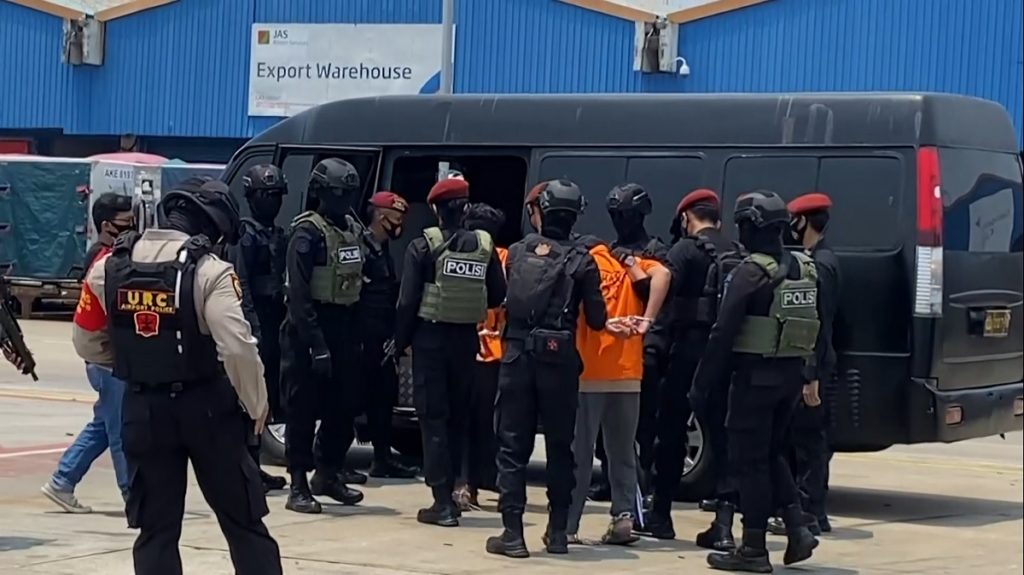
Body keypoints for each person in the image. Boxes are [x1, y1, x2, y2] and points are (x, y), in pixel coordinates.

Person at [72, 179, 282, 575]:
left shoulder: (108, 266)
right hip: (208, 410)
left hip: (143, 410)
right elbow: (237, 347)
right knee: (243, 524)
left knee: (156, 530)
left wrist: (137, 362)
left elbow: (85, 341)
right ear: (212, 227)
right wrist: (257, 403)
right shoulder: (211, 270)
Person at [486, 179, 620, 559]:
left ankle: (512, 534)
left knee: (513, 447)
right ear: (576, 215)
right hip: (559, 361)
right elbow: (597, 319)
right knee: (561, 448)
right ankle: (558, 532)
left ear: (541, 211)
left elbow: (501, 298)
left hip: (516, 357)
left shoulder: (516, 252)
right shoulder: (583, 260)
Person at [690, 190, 820, 572]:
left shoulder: (749, 273)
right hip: (790, 377)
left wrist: (701, 385)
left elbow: (722, 332)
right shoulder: (802, 268)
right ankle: (797, 528)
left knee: (749, 463)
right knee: (772, 453)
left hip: (754, 380)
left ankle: (753, 548)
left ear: (751, 227)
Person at [395, 176, 507, 527]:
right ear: (465, 208)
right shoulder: (485, 246)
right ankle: (457, 491)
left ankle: (441, 503)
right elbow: (498, 294)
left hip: (430, 341)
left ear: (435, 209)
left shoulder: (423, 246)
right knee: (458, 419)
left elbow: (407, 301)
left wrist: (399, 342)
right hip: (466, 341)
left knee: (433, 420)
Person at [645, 189, 744, 548]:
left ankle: (661, 516)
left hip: (687, 352)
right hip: (726, 355)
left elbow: (665, 296)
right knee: (724, 436)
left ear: (686, 217)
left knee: (671, 433)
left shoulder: (685, 250)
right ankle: (724, 524)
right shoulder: (737, 251)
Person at [567, 234, 671, 545]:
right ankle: (624, 517)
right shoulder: (628, 264)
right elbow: (664, 275)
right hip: (627, 373)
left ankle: (568, 524)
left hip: (588, 372)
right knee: (623, 451)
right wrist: (647, 321)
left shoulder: (581, 264)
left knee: (579, 453)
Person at [280, 158, 367, 514]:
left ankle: (328, 473)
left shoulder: (352, 228)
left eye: (349, 193)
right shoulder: (307, 232)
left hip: (344, 326)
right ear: (320, 192)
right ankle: (298, 484)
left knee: (344, 406)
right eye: (338, 193)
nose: (344, 200)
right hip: (309, 328)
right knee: (301, 410)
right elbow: (298, 294)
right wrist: (316, 344)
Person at [42, 193, 135, 512]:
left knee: (104, 423)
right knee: (120, 427)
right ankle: (133, 496)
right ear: (107, 226)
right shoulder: (105, 266)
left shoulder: (107, 255)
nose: (133, 227)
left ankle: (62, 481)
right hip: (103, 355)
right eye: (126, 222)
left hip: (99, 351)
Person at [590, 183, 671, 502]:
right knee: (605, 426)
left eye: (625, 215)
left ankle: (642, 485)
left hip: (645, 347)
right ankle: (610, 479)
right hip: (609, 347)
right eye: (615, 215)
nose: (620, 221)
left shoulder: (656, 251)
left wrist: (634, 268)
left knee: (643, 425)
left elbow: (657, 296)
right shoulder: (607, 251)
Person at [772, 192, 841, 535]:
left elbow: (819, 322)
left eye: (794, 221)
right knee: (803, 440)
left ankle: (811, 514)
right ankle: (810, 512)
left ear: (802, 222)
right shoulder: (818, 258)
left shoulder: (821, 265)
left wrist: (811, 373)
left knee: (810, 442)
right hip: (813, 364)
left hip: (814, 366)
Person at [233, 164, 289, 492]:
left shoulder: (276, 233)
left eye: (276, 195)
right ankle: (247, 469)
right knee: (250, 398)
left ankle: (255, 467)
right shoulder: (246, 235)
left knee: (266, 398)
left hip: (275, 319)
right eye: (266, 195)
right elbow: (241, 283)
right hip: (255, 322)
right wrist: (251, 327)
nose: (273, 201)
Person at [357, 190, 419, 479]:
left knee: (383, 398)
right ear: (381, 216)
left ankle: (382, 458)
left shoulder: (383, 249)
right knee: (352, 399)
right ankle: (331, 464)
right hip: (363, 335)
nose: (400, 224)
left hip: (382, 335)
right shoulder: (361, 248)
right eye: (397, 217)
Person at [455, 202, 509, 511]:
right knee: (491, 424)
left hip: (468, 349)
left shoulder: (456, 253)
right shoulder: (506, 257)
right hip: (495, 354)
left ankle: (464, 484)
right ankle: (486, 482)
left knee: (462, 420)